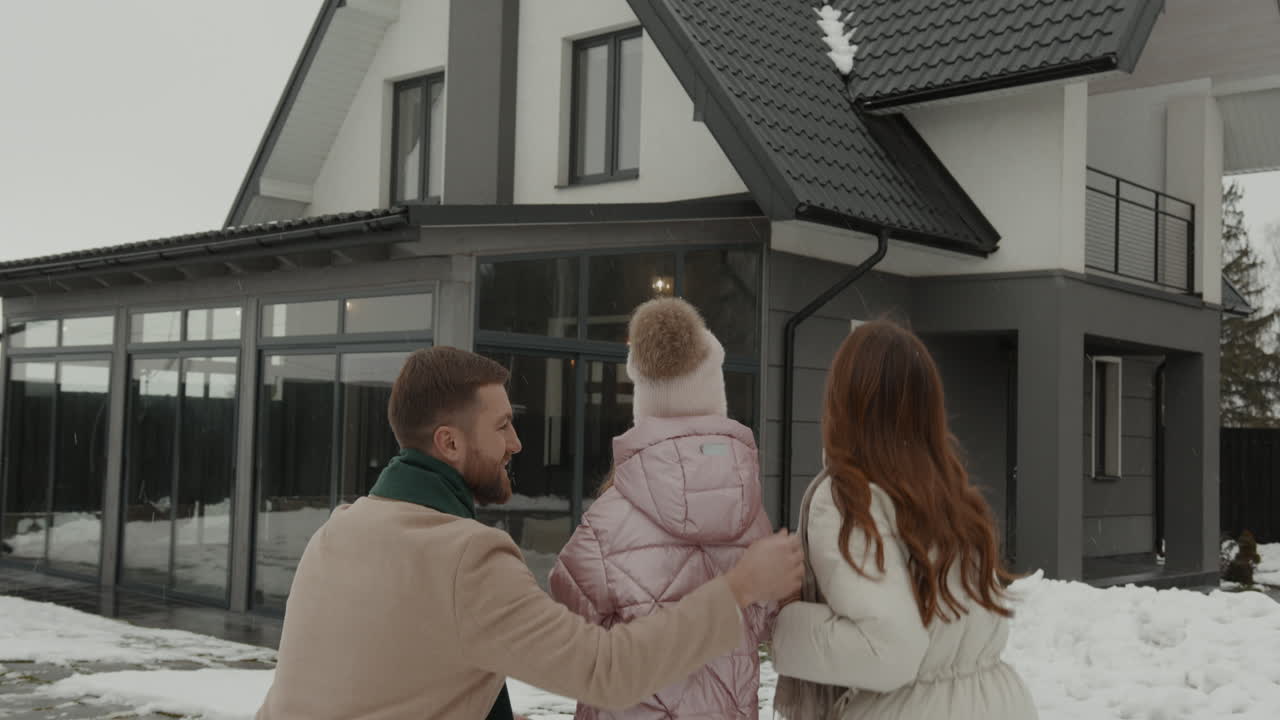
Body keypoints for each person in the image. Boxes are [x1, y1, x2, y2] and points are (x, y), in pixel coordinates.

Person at [256, 346, 803, 720]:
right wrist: (738, 588)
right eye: (501, 426)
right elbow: (608, 671)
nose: (516, 443)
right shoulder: (466, 559)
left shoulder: (339, 532)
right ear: (449, 443)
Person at [771, 320, 1037, 720]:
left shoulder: (850, 499)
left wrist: (784, 622)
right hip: (1000, 703)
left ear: (843, 402)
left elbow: (887, 650)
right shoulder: (949, 492)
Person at [549, 298, 776, 718]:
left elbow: (566, 629)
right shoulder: (752, 516)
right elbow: (762, 619)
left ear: (644, 406)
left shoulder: (606, 521)